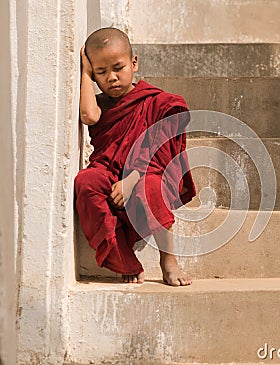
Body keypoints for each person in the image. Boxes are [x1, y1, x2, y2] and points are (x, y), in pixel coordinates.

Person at [75, 27, 196, 286]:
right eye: (101, 72)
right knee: (86, 181)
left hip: (146, 173)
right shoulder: (100, 105)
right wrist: (85, 73)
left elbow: (162, 152)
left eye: (118, 67)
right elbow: (88, 117)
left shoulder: (158, 102)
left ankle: (169, 260)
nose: (112, 78)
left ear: (134, 62)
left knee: (151, 186)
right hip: (107, 170)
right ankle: (123, 259)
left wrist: (132, 179)